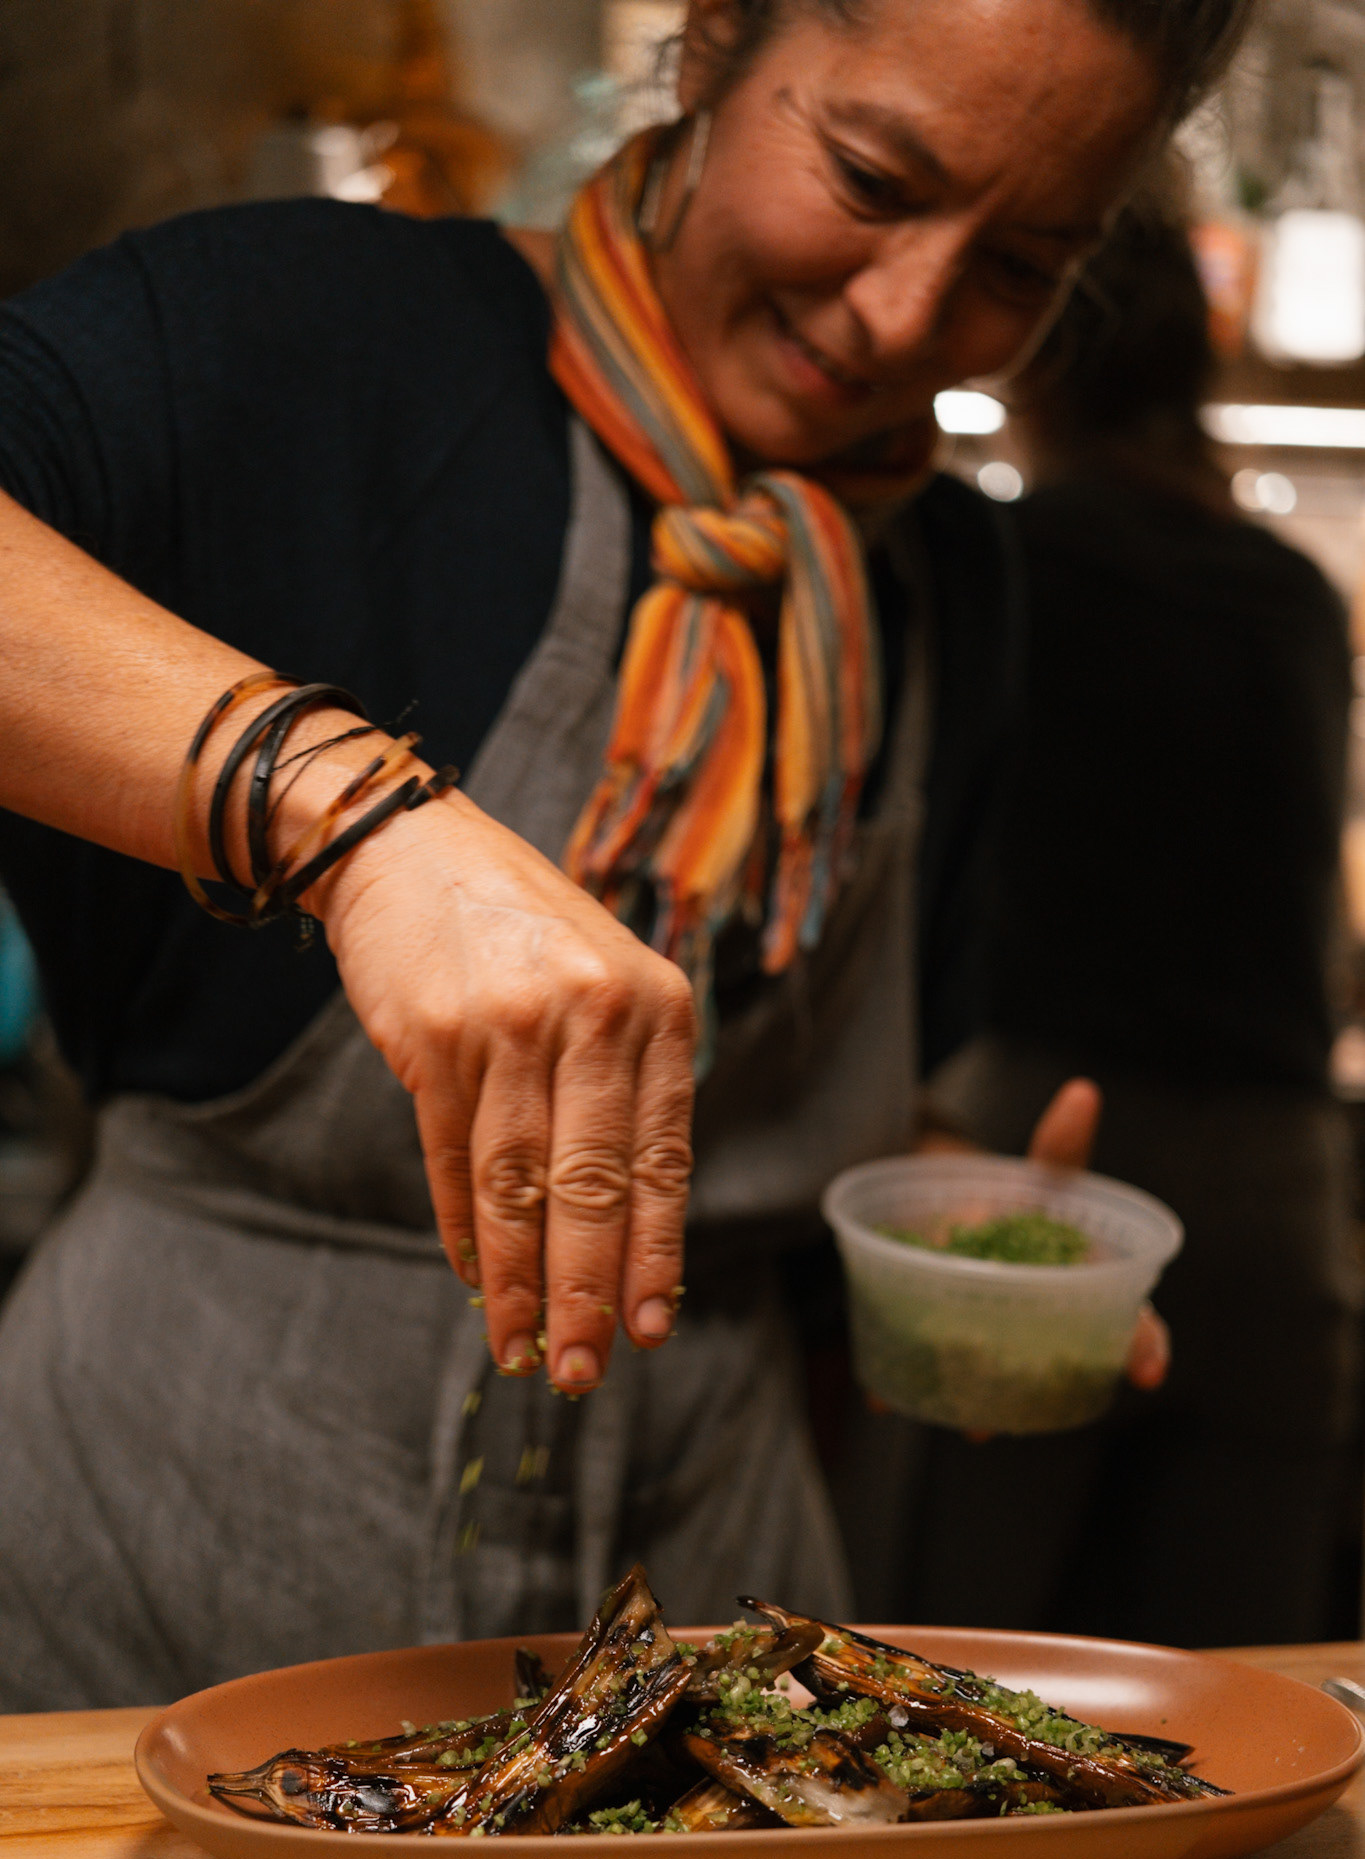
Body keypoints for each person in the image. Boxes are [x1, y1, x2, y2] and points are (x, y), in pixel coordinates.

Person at [0, 0, 1248, 1710]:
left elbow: (804, 1096)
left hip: (706, 1599)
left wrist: (948, 1215)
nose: (903, 317)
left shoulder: (946, 582)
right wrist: (359, 828)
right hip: (161, 1554)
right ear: (712, 42)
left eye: (1022, 265)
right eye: (871, 179)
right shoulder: (303, 335)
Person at [845, 199, 1357, 1647]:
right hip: (1279, 1181)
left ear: (1040, 360)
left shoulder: (992, 559)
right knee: (1250, 1665)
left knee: (959, 1641)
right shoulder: (1293, 595)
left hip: (1040, 1146)